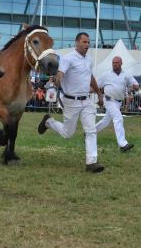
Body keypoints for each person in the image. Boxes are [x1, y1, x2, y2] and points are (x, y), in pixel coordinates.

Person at [37, 32, 105, 173]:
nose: (87, 44)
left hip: (86, 100)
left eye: (88, 42)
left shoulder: (89, 60)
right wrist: (57, 79)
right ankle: (48, 122)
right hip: (70, 101)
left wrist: (99, 93)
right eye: (84, 42)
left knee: (91, 130)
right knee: (68, 133)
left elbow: (90, 77)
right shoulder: (68, 58)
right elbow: (61, 73)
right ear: (76, 43)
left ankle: (91, 162)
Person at [95, 56, 139, 152]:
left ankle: (90, 132)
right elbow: (96, 85)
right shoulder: (106, 75)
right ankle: (123, 144)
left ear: (121, 63)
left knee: (106, 121)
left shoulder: (126, 75)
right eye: (113, 63)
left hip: (118, 102)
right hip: (108, 100)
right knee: (118, 118)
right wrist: (96, 95)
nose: (114, 64)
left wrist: (135, 87)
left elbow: (136, 85)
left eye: (117, 62)